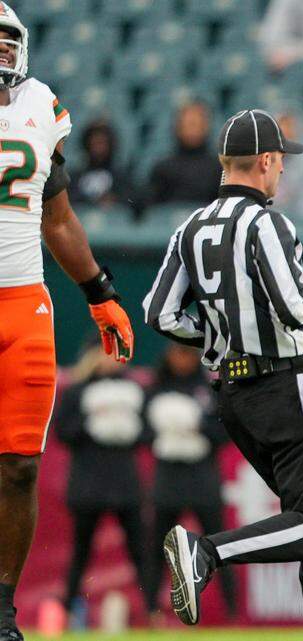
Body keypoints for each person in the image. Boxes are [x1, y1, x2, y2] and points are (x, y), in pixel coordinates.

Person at [143, 108, 303, 641]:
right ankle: (207, 552)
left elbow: (159, 313)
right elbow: (294, 309)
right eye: (281, 160)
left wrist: (221, 337)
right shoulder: (267, 222)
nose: (283, 170)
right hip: (282, 385)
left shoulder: (188, 227)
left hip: (234, 396)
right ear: (265, 161)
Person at [0, 4, 134, 639]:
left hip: (25, 303)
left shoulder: (39, 104)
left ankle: (2, 611)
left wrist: (99, 291)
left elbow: (58, 218)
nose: (2, 54)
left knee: (20, 465)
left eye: (7, 43)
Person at [54, 341, 153, 625]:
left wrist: (124, 426)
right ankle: (68, 611)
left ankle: (152, 613)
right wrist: (93, 421)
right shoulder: (78, 391)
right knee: (81, 552)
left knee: (139, 550)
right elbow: (64, 431)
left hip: (125, 483)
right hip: (88, 483)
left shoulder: (133, 391)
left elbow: (148, 431)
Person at [144, 343, 237, 621]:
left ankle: (232, 613)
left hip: (202, 476)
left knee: (220, 545)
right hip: (168, 477)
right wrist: (167, 431)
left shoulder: (208, 390)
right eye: (176, 352)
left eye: (187, 353)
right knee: (158, 547)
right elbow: (142, 430)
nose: (181, 359)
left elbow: (224, 431)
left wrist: (196, 426)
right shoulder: (155, 389)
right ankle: (151, 612)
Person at [147, 100, 223, 206]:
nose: (192, 129)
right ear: (177, 126)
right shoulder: (163, 168)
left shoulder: (219, 169)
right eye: (188, 124)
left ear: (206, 126)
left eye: (196, 124)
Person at [71, 118, 136, 213]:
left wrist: (115, 200)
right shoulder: (74, 178)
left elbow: (132, 201)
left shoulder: (122, 178)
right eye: (95, 143)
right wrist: (91, 201)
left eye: (102, 143)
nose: (99, 148)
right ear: (87, 145)